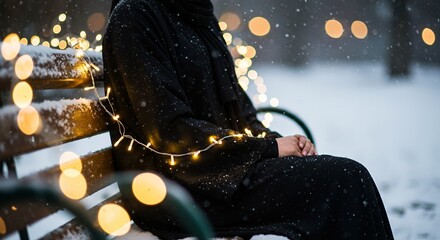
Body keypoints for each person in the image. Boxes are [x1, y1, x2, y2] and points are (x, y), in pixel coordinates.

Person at [103, 0, 394, 239]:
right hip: (173, 190)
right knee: (342, 181)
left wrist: (278, 142)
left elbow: (241, 114)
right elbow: (169, 132)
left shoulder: (199, 17)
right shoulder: (136, 15)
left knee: (343, 179)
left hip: (221, 173)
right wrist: (270, 150)